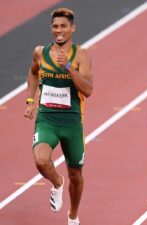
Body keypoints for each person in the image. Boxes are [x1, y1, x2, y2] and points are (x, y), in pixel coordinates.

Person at [23, 8, 93, 225]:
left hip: (72, 122)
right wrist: (31, 101)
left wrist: (69, 68)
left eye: (63, 26)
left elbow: (88, 90)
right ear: (51, 29)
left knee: (76, 174)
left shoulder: (81, 55)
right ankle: (57, 183)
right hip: (47, 119)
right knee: (41, 160)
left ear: (72, 28)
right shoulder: (40, 52)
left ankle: (73, 215)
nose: (59, 31)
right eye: (55, 26)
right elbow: (34, 73)